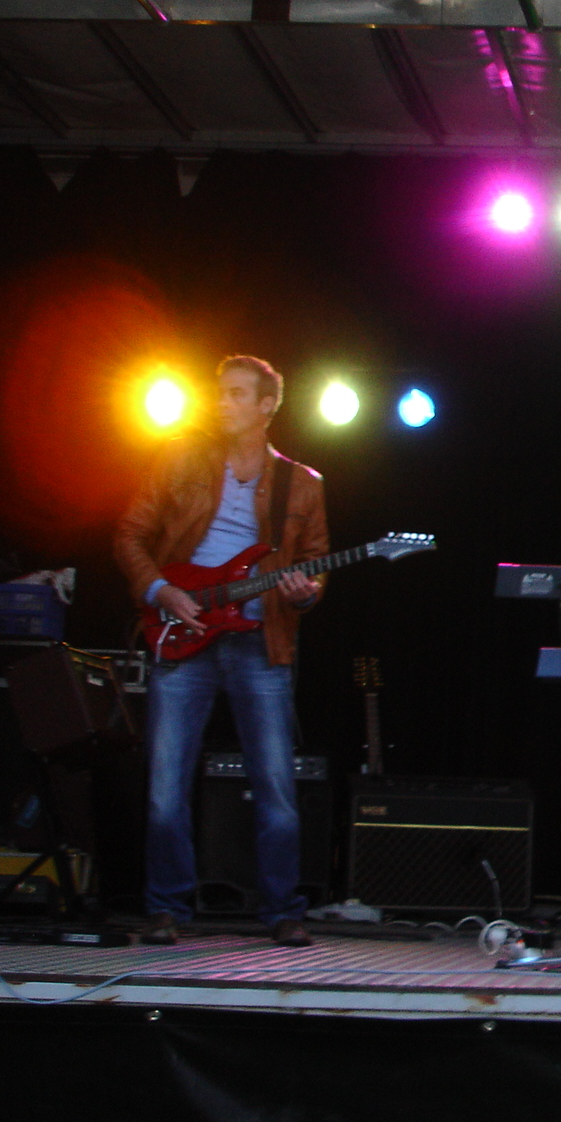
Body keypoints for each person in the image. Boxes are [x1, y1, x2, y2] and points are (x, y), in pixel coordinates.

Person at [114, 355, 328, 948]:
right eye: (220, 392)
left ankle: (282, 909)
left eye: (236, 394)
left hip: (260, 640)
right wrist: (161, 591)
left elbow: (315, 564)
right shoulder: (180, 460)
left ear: (267, 406)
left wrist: (306, 592)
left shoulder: (302, 483)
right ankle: (166, 908)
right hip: (183, 632)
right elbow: (129, 534)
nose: (222, 402)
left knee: (276, 787)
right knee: (165, 788)